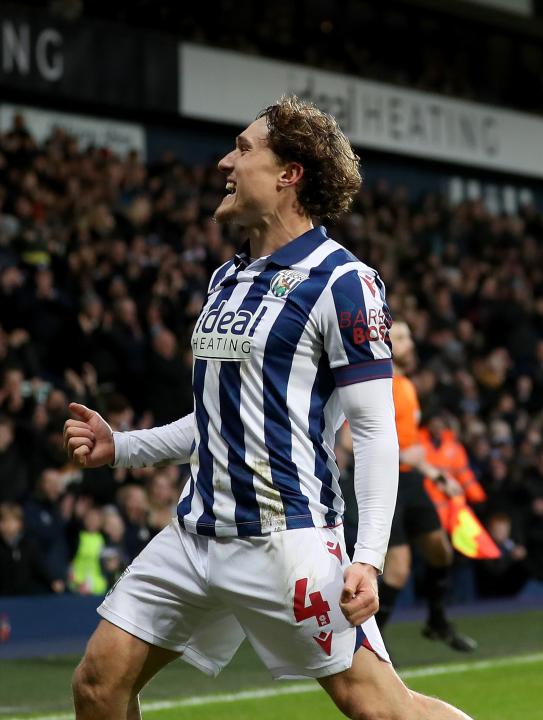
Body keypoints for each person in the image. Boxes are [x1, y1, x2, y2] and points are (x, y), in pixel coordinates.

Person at [64, 96, 472, 720]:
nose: (227, 161)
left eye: (245, 149)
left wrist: (366, 557)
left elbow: (374, 431)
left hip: (286, 539)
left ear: (290, 175)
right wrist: (122, 447)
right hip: (196, 534)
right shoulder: (226, 281)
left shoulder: (344, 282)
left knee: (382, 712)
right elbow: (215, 421)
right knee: (98, 684)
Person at [375, 322, 476, 652]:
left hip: (411, 478)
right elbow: (355, 438)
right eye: (401, 338)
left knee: (439, 549)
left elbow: (408, 445)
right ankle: (371, 648)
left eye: (409, 335)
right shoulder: (376, 385)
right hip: (384, 480)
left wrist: (434, 473)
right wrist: (405, 455)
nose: (410, 343)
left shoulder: (405, 385)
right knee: (399, 567)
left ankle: (436, 620)